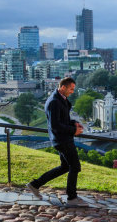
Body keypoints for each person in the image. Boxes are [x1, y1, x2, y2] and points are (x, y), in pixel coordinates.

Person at [26, 77, 86, 206]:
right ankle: (72, 198)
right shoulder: (54, 102)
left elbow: (62, 120)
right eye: (71, 89)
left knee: (65, 167)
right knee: (75, 167)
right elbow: (56, 126)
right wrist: (73, 131)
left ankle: (35, 184)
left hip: (62, 139)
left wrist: (74, 123)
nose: (72, 92)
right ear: (63, 87)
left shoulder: (60, 99)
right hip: (62, 140)